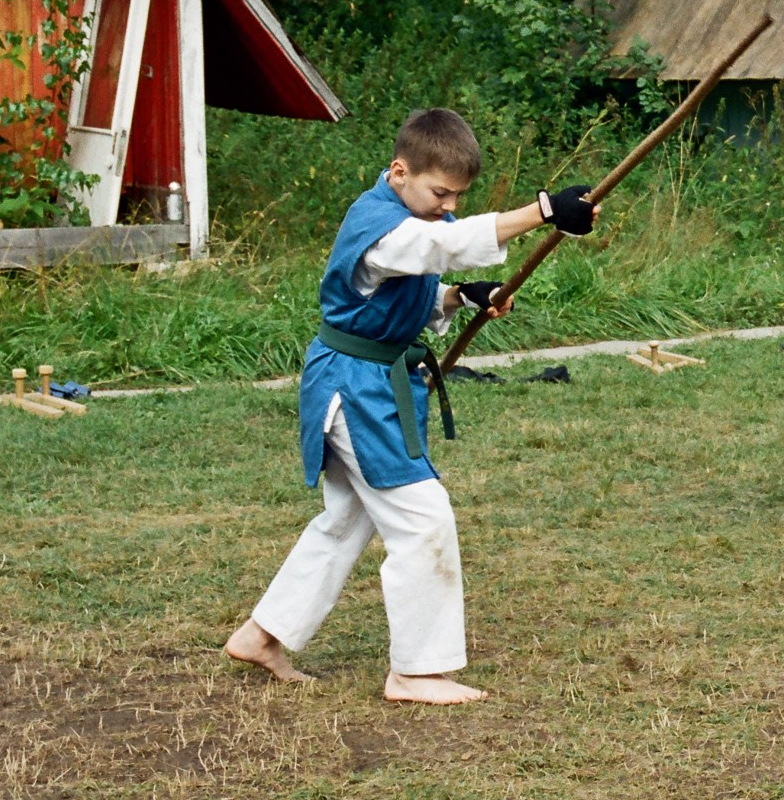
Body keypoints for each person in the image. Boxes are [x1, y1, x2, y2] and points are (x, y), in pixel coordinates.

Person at [224, 108, 598, 701]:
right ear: (400, 171)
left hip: (370, 381)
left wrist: (456, 297)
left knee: (347, 519)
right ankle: (416, 671)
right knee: (424, 518)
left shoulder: (406, 219)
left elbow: (404, 300)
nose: (447, 205)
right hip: (355, 388)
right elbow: (437, 245)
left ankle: (261, 635)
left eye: (457, 196)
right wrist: (544, 212)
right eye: (440, 192)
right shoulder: (378, 224)